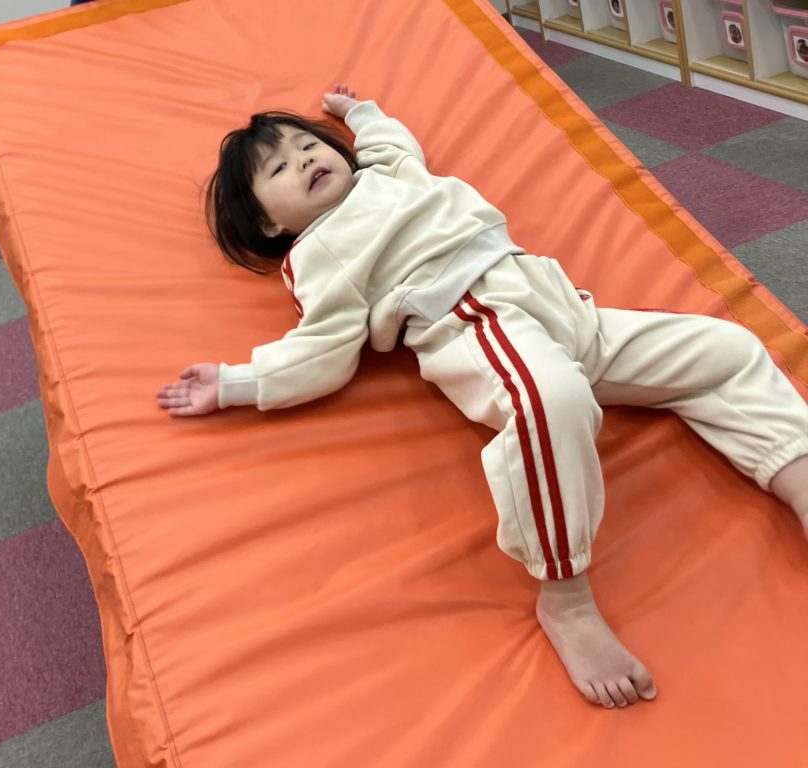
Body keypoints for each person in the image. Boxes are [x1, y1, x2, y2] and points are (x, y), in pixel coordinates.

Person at [156, 84, 808, 709]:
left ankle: (798, 474)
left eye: (309, 147)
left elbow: (389, 140)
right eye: (279, 169)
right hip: (479, 324)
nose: (304, 160)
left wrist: (359, 111)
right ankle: (565, 597)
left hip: (567, 314)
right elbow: (319, 349)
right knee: (549, 402)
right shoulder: (318, 252)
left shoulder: (391, 171)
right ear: (268, 222)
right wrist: (236, 382)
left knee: (724, 349)